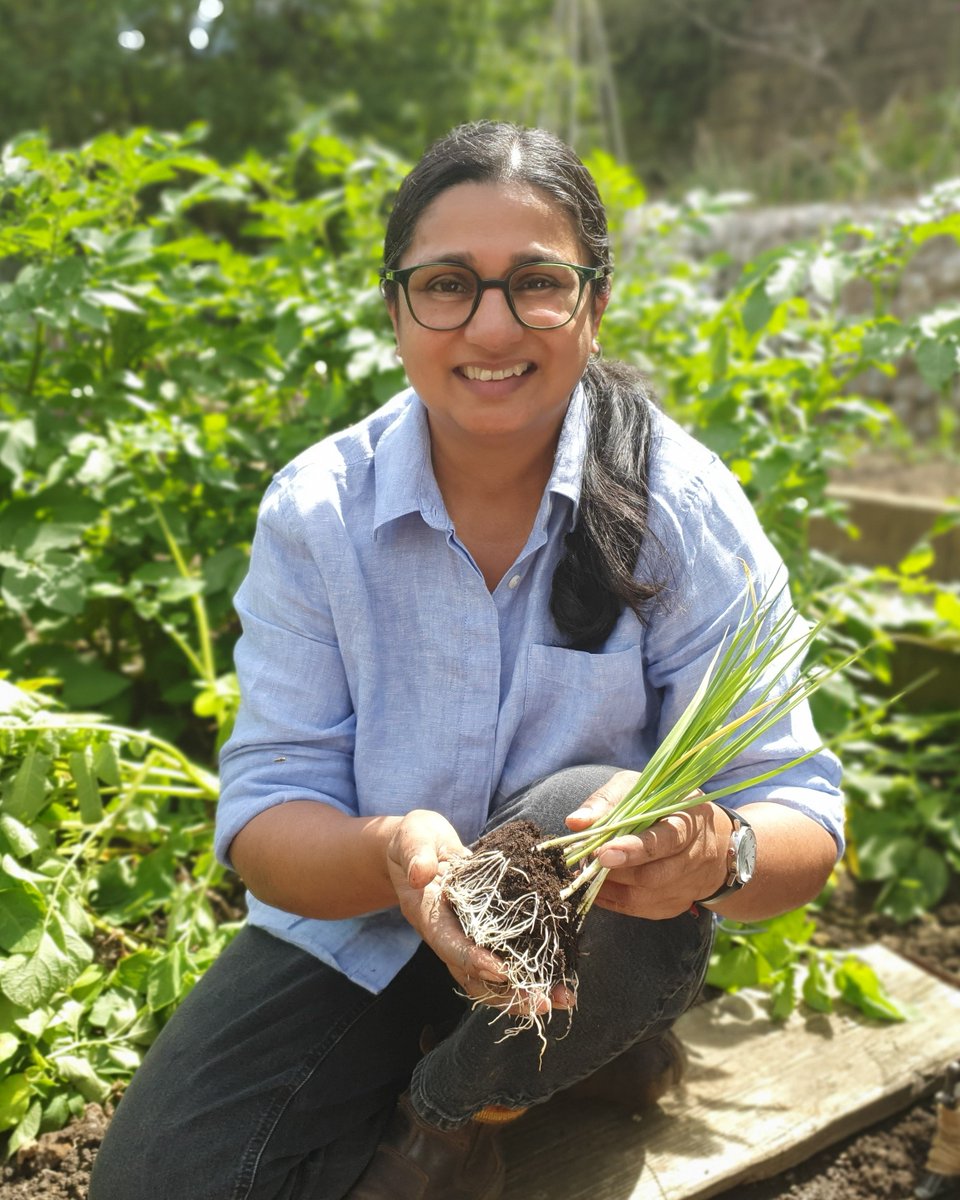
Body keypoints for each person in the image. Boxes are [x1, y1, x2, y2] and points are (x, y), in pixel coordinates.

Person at [88, 120, 843, 1200]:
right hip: (363, 924)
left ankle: (458, 1115)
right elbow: (265, 818)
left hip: (589, 944)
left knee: (592, 809)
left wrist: (715, 850)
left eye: (536, 281)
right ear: (397, 307)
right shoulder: (319, 513)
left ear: (593, 303)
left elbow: (801, 812)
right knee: (155, 1183)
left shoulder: (679, 506)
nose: (492, 324)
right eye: (447, 284)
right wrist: (396, 856)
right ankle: (555, 1059)